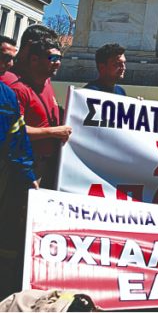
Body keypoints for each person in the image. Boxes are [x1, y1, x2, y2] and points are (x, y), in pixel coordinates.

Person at [4, 28, 70, 189]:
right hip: (25, 167)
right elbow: (12, 131)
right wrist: (52, 132)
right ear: (33, 57)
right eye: (53, 58)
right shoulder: (15, 88)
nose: (58, 63)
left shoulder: (46, 83)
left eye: (60, 58)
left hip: (49, 165)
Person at [0, 73, 37, 299]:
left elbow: (18, 138)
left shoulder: (7, 94)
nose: (9, 64)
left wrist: (27, 172)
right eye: (4, 58)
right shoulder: (14, 91)